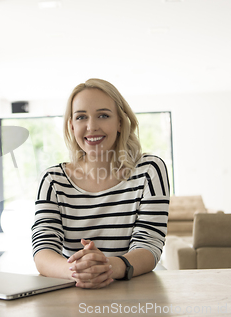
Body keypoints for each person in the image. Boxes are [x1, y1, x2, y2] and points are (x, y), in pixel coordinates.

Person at [32, 78, 170, 289]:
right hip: (72, 295)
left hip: (133, 295)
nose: (92, 126)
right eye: (81, 117)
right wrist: (79, 271)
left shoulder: (150, 171)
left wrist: (107, 266)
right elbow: (43, 250)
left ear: (120, 122)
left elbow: (149, 245)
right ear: (71, 125)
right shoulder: (52, 181)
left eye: (103, 115)